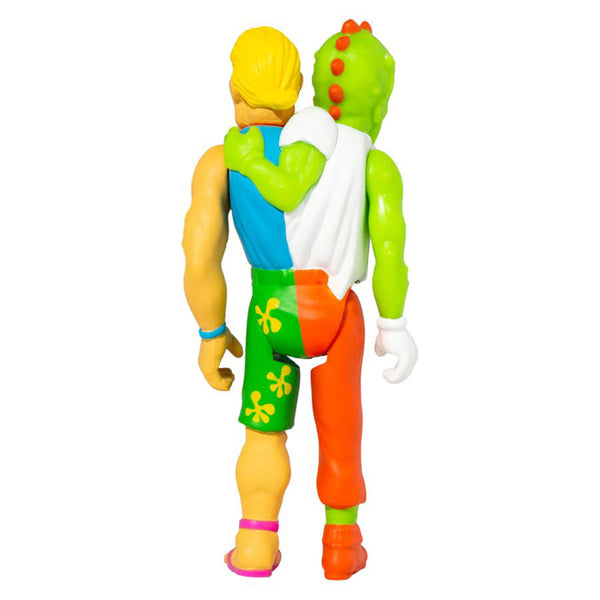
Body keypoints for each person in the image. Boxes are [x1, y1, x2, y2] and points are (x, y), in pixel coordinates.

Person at [184, 21, 417, 580]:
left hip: (271, 311)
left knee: (263, 429)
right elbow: (390, 251)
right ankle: (341, 544)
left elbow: (200, 254)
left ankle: (255, 544)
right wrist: (395, 325)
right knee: (341, 426)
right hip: (335, 311)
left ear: (235, 88)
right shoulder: (363, 158)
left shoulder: (224, 160)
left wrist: (211, 332)